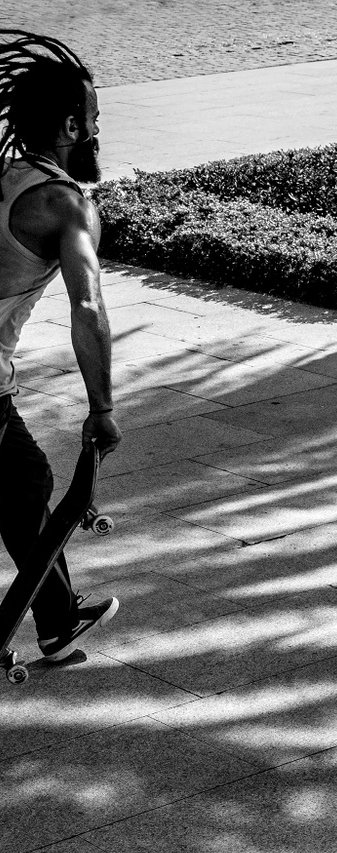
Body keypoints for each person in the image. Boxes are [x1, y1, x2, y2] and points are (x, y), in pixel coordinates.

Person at [0, 31, 122, 662]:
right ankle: (54, 618)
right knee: (24, 479)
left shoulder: (8, 175)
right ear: (72, 125)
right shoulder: (62, 204)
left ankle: (54, 619)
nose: (100, 131)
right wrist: (101, 408)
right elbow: (88, 304)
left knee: (22, 479)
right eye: (95, 118)